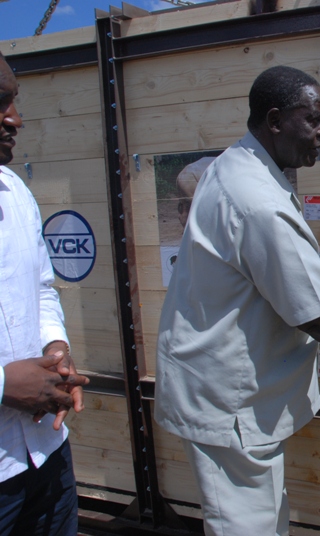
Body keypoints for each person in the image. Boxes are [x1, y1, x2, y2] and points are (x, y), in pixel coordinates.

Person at [155, 66, 320, 536]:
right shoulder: (257, 199)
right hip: (227, 401)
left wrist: (308, 259)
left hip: (235, 393)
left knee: (264, 516)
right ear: (274, 120)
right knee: (246, 526)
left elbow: (247, 260)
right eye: (312, 120)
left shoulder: (238, 166)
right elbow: (314, 315)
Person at [0, 52, 89, 536]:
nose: (15, 119)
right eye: (0, 103)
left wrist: (56, 352)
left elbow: (40, 288)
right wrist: (2, 385)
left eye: (14, 102)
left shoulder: (14, 192)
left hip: (45, 452)